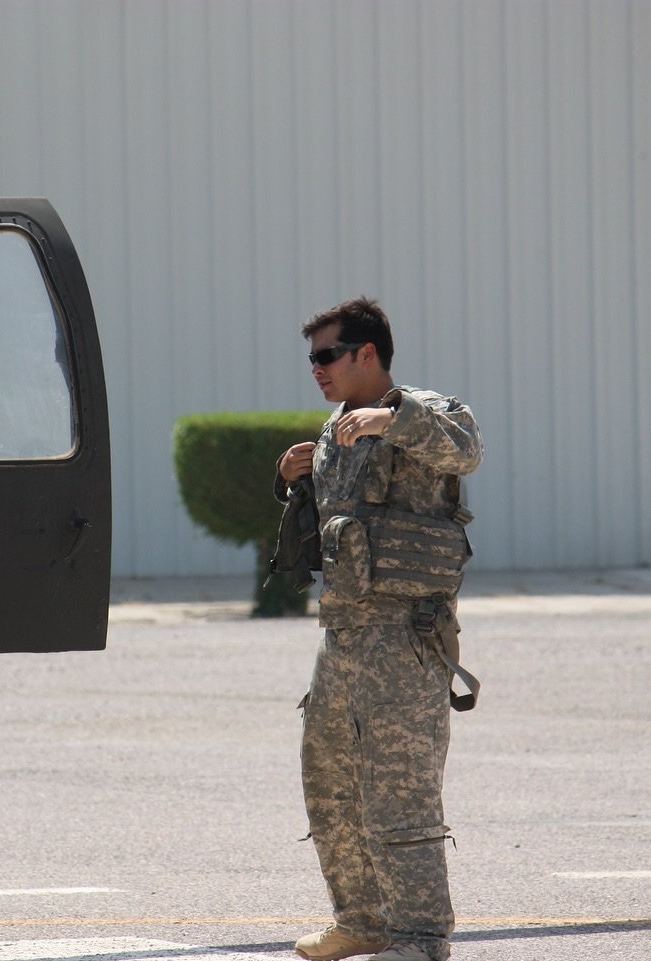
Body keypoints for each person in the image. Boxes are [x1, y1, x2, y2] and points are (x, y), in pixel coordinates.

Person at [276, 297, 483, 961]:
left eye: (327, 355)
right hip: (342, 641)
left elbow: (467, 450)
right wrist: (291, 481)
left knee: (401, 792)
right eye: (312, 358)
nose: (317, 369)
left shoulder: (425, 412)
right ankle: (362, 920)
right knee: (330, 784)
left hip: (404, 639)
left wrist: (391, 420)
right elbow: (332, 535)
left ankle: (420, 937)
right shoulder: (335, 431)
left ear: (368, 353)